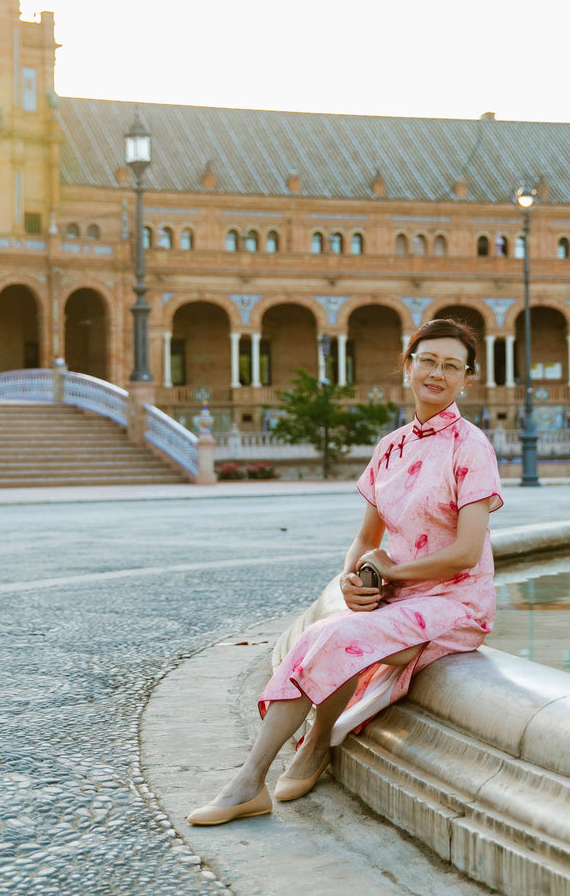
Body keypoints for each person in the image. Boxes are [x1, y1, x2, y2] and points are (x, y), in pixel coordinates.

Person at [187, 317, 504, 826]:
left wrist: (392, 576)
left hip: (454, 605)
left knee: (331, 635)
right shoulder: (391, 446)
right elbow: (366, 539)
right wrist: (352, 579)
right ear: (408, 366)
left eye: (452, 366)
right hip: (401, 601)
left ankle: (254, 778)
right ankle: (308, 748)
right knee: (339, 629)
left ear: (467, 378)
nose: (437, 373)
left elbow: (468, 553)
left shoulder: (472, 447)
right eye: (427, 360)